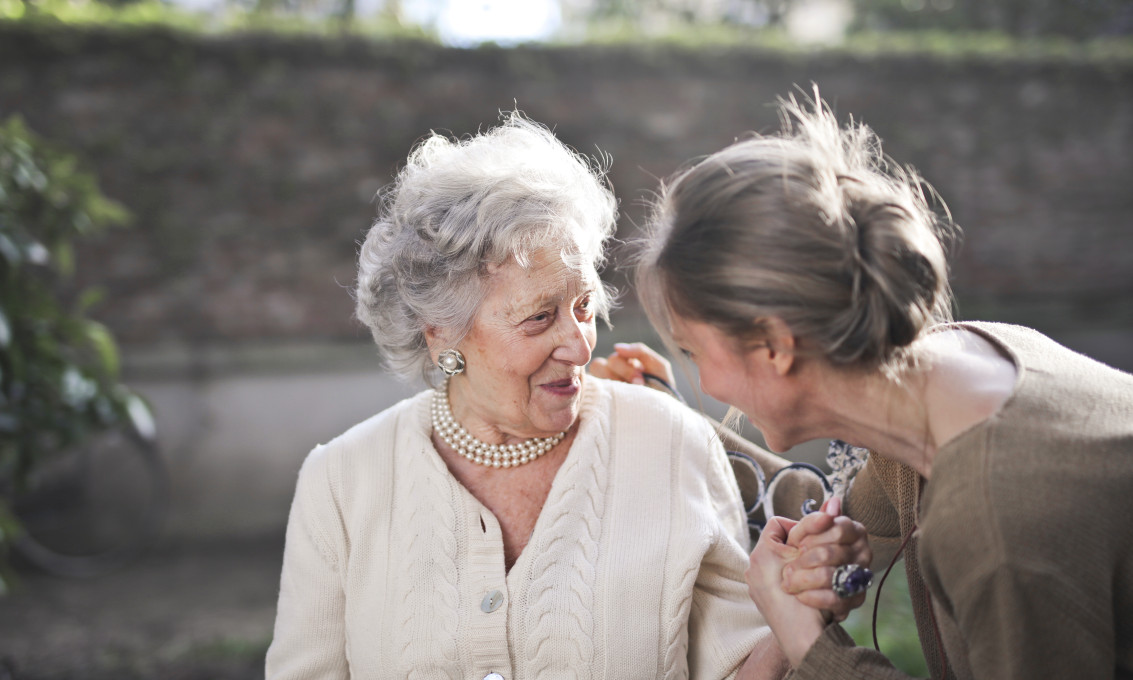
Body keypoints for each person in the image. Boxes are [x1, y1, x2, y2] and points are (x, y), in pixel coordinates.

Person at [264, 113, 866, 679]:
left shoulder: (668, 441)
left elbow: (735, 669)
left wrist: (797, 609)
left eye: (583, 307)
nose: (579, 346)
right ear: (441, 331)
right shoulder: (341, 482)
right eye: (538, 318)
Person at [628, 91, 1133, 679]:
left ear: (774, 345)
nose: (706, 382)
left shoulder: (997, 527)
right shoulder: (959, 364)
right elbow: (844, 519)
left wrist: (807, 642)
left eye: (694, 351)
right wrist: (823, 560)